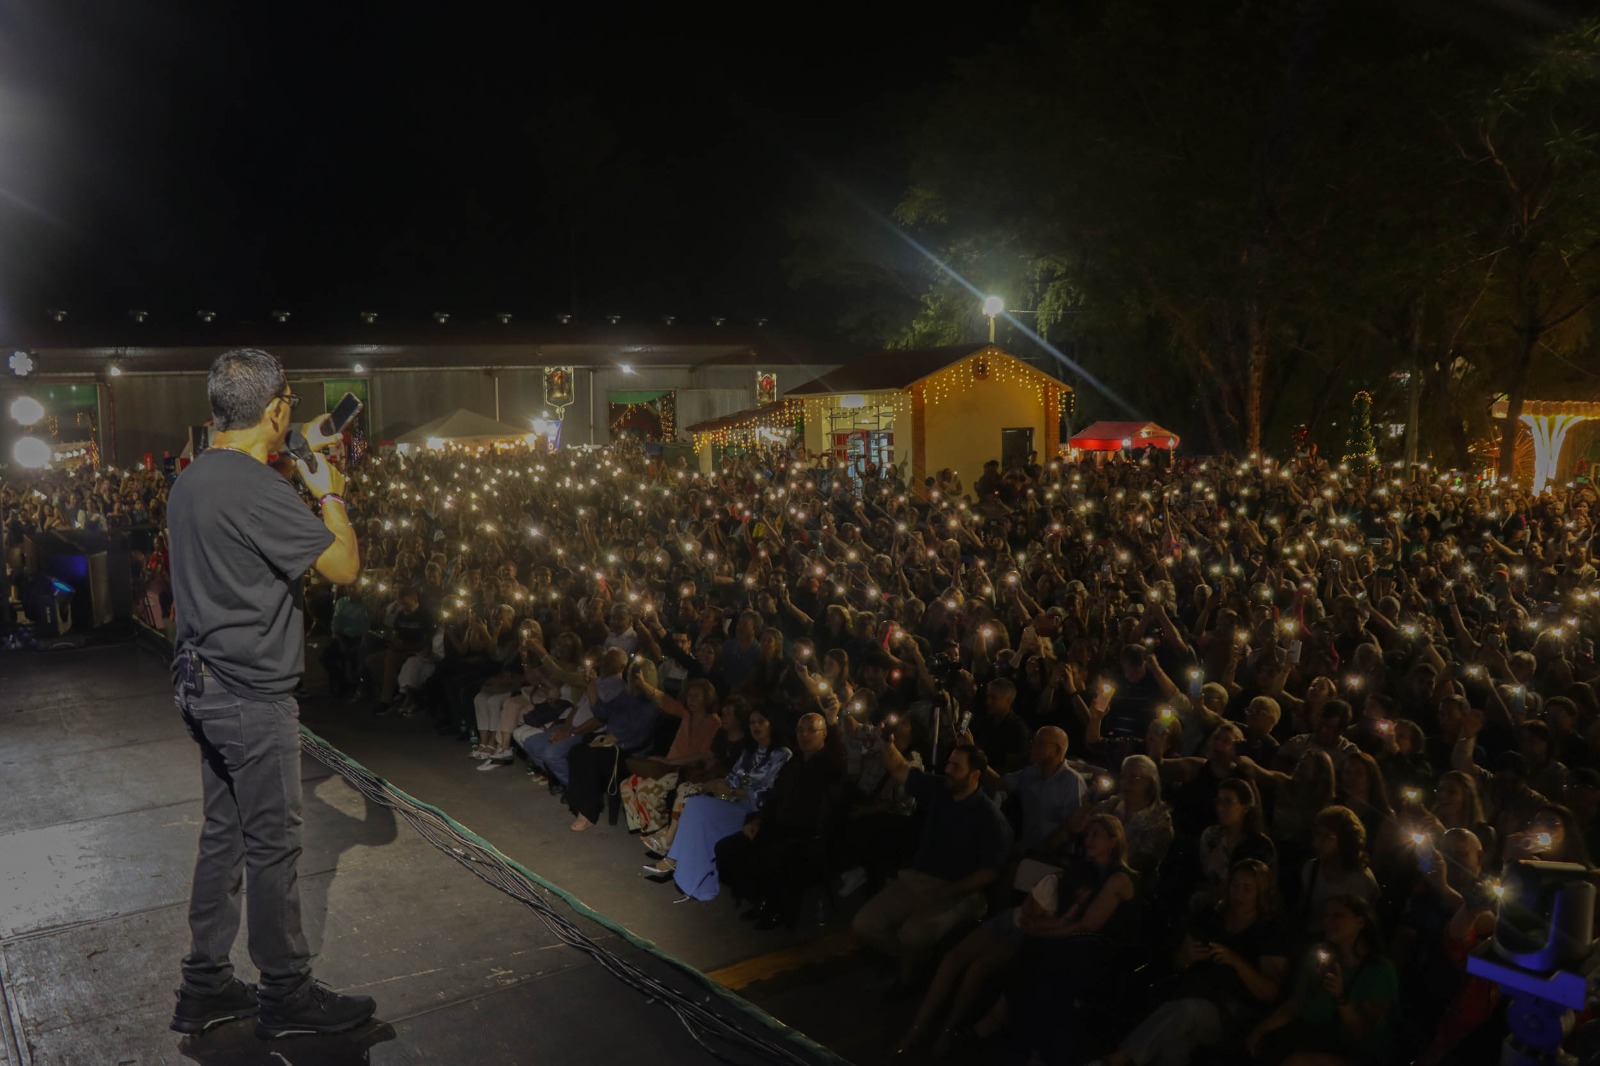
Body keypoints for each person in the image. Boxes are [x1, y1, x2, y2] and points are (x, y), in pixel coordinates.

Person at [166, 348, 375, 1037]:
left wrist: (294, 452)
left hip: (201, 683)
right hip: (250, 696)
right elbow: (343, 567)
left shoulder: (195, 477)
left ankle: (204, 986)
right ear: (277, 407)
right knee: (273, 848)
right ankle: (286, 994)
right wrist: (331, 494)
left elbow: (251, 494)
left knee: (224, 838)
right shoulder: (259, 490)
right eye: (289, 404)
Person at [852, 741, 1013, 992]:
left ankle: (908, 978)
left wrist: (947, 892)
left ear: (975, 775)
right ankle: (915, 963)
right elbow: (900, 769)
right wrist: (887, 741)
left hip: (961, 892)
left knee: (913, 934)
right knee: (864, 925)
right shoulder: (941, 788)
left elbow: (990, 872)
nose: (947, 769)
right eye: (949, 763)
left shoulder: (990, 819)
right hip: (919, 879)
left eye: (956, 767)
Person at [1245, 894, 1399, 1065]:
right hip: (1311, 1036)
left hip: (1354, 1052)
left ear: (1361, 922)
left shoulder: (1379, 970)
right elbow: (1296, 1003)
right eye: (1326, 915)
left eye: (1338, 915)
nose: (1327, 921)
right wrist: (1261, 1029)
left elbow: (1363, 1032)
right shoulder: (1321, 959)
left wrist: (1340, 997)